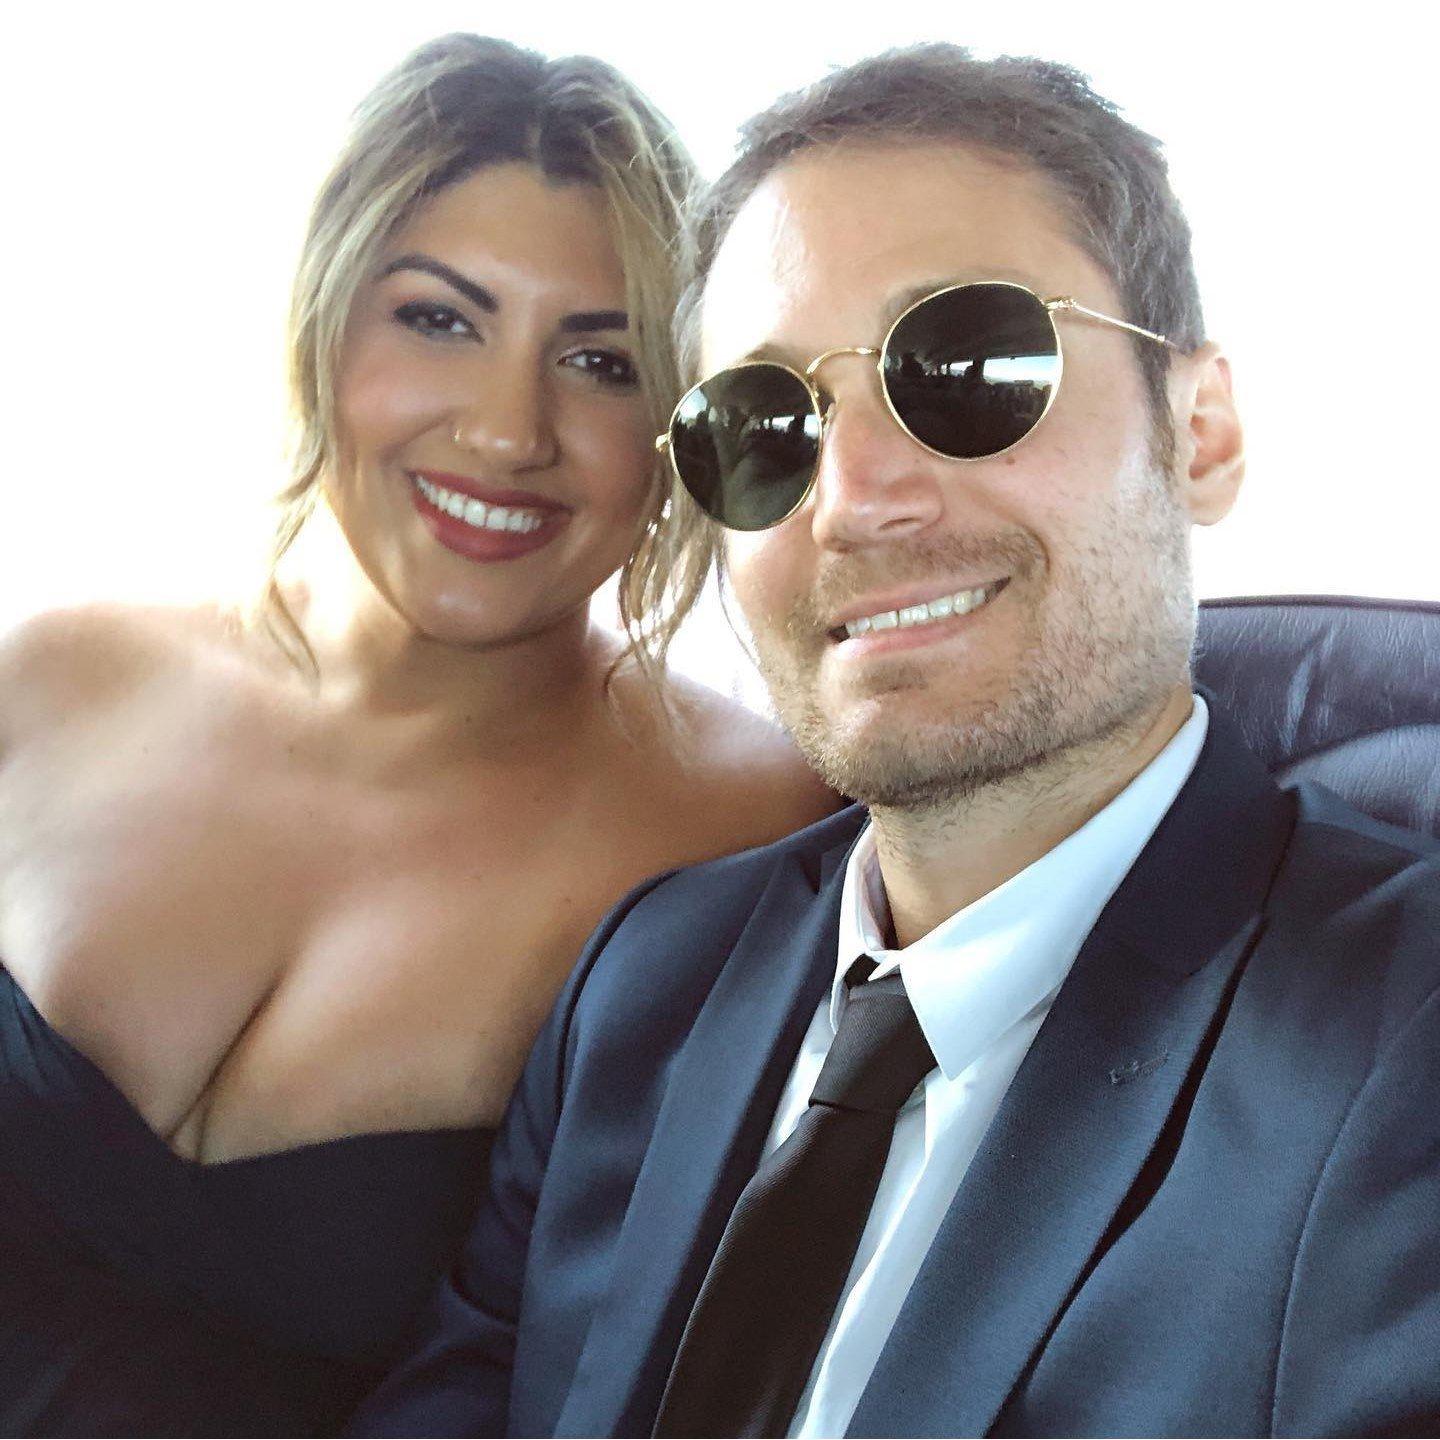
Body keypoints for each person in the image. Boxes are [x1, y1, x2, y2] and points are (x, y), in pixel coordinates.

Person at [352, 43, 1440, 1440]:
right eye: (761, 421)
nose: (853, 499)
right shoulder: (647, 986)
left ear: (1200, 433)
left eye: (968, 368)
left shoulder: (1403, 1038)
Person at [0, 34, 835, 1438]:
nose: (509, 432)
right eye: (440, 320)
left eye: (601, 360)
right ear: (323, 322)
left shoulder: (763, 833)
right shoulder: (48, 682)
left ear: (680, 420)